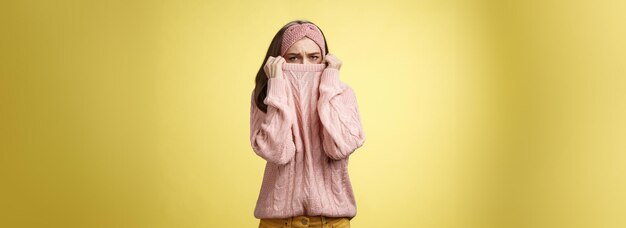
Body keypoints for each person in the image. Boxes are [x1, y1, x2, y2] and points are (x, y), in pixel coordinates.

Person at [250, 19, 365, 228]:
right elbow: (277, 152)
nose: (305, 66)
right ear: (278, 60)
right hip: (276, 223)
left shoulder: (343, 93)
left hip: (332, 223)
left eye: (314, 57)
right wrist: (276, 87)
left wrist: (329, 86)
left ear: (325, 59)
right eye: (294, 57)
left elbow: (337, 148)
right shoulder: (266, 94)